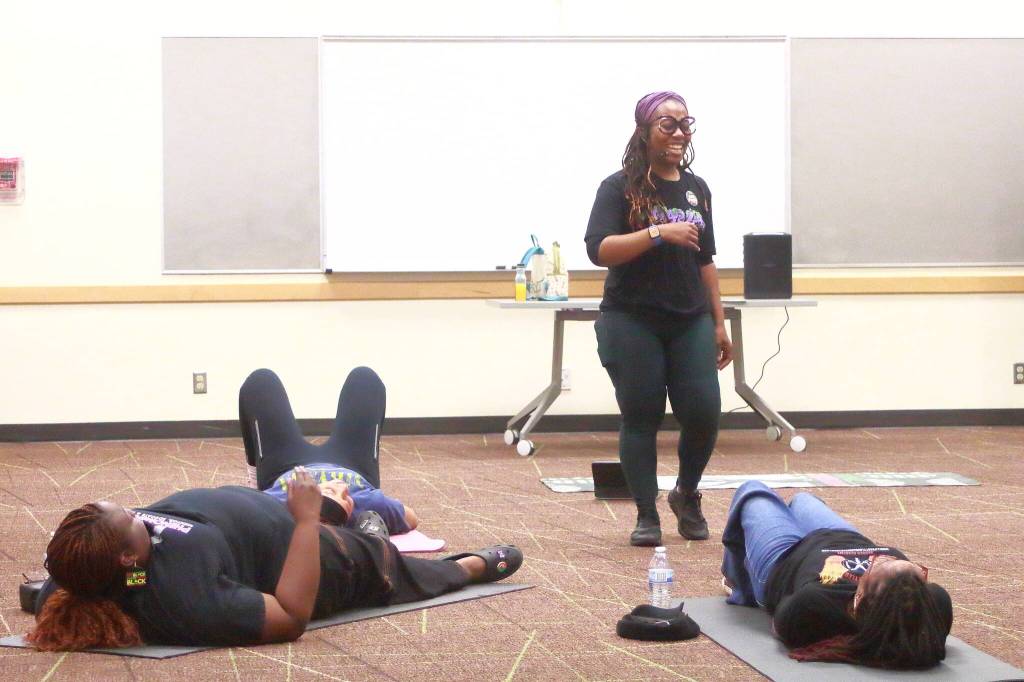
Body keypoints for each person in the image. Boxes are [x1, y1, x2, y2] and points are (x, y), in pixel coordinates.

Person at [26, 470, 523, 651]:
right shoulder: (187, 599)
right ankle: (467, 566)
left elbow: (49, 592)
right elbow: (289, 617)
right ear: (128, 554)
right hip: (322, 557)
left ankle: (351, 517)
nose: (138, 513)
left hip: (272, 516)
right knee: (387, 562)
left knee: (354, 516)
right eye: (130, 517)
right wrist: (305, 525)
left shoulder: (78, 578)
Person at [585, 91, 733, 546]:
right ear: (644, 131)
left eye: (685, 123)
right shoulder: (619, 187)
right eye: (667, 123)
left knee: (705, 412)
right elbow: (599, 250)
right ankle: (646, 514)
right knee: (641, 414)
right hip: (632, 318)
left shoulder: (697, 188)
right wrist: (656, 233)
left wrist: (719, 322)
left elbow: (705, 261)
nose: (678, 132)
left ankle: (686, 494)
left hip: (689, 318)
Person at [720, 480, 953, 669]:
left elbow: (780, 626)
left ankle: (739, 585)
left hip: (784, 557)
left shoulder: (816, 603)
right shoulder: (933, 602)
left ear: (859, 596)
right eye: (908, 568)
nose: (886, 558)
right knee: (803, 499)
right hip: (847, 538)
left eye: (877, 568)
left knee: (753, 491)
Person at [239, 367, 417, 535]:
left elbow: (239, 519)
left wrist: (264, 500)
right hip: (353, 465)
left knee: (260, 382)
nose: (342, 489)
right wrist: (362, 515)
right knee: (366, 379)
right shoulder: (366, 503)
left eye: (330, 493)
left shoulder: (280, 503)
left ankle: (255, 482)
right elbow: (411, 518)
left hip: (284, 468)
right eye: (345, 497)